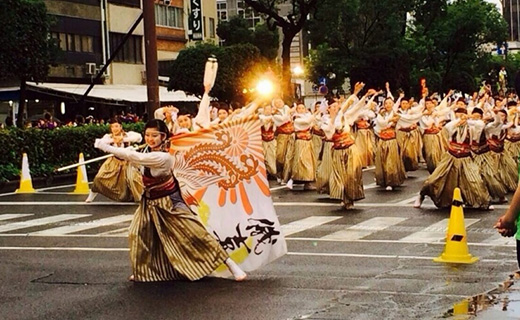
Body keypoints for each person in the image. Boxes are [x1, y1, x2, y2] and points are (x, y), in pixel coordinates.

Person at [94, 119, 247, 282]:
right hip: (150, 202)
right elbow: (135, 160)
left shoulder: (164, 157)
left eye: (155, 136)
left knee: (195, 233)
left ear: (163, 137)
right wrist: (130, 156)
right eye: (147, 135)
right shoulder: (146, 152)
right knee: (138, 235)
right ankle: (143, 271)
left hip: (170, 201)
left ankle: (231, 264)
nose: (150, 139)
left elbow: (134, 157)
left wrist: (107, 148)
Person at [85, 117, 143, 203]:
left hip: (128, 162)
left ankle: (140, 197)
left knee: (132, 180)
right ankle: (91, 195)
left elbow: (139, 138)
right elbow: (98, 143)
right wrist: (113, 140)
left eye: (116, 126)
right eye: (112, 127)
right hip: (114, 161)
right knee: (99, 177)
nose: (115, 129)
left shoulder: (128, 135)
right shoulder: (108, 137)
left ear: (121, 127)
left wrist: (123, 139)